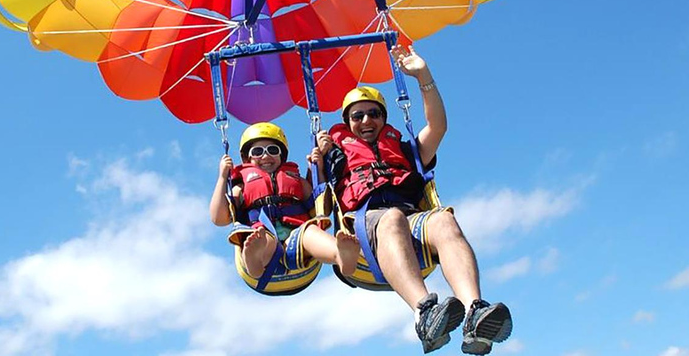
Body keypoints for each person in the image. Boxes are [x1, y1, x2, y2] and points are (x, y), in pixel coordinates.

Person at [317, 45, 512, 354]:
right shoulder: (335, 156)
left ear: (384, 117)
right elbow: (312, 194)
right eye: (358, 115)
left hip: (410, 216)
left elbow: (438, 127)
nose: (366, 120)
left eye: (374, 113)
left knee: (443, 218)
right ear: (347, 121)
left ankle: (474, 311)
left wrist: (423, 75)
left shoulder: (406, 150)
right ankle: (424, 312)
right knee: (391, 217)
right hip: (366, 224)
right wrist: (320, 158)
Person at [209, 122, 360, 293]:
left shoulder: (296, 180)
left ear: (282, 156)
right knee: (263, 240)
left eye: (273, 150)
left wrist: (316, 168)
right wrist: (223, 177)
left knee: (311, 233)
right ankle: (254, 262)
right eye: (257, 152)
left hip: (296, 236)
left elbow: (320, 207)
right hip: (263, 233)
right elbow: (218, 218)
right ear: (247, 159)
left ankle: (340, 255)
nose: (265, 156)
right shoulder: (242, 186)